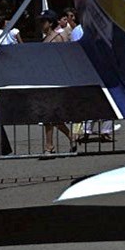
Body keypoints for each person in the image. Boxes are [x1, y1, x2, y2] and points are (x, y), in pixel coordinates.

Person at [39, 10, 77, 155]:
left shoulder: (58, 37)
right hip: (47, 80)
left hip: (56, 81)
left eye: (44, 21)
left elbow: (65, 59)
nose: (41, 24)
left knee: (49, 115)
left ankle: (49, 147)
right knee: (49, 116)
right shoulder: (46, 38)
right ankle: (67, 138)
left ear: (50, 22)